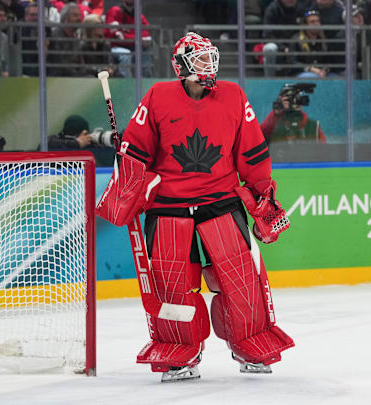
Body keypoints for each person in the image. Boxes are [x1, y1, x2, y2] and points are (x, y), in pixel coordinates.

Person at [96, 32, 294, 382]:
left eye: (210, 57)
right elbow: (137, 148)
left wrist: (263, 193)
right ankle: (179, 350)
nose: (209, 65)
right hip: (169, 206)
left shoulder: (233, 95)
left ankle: (250, 341)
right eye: (200, 59)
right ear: (181, 65)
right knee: (173, 284)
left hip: (220, 202)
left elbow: (252, 150)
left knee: (241, 280)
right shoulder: (157, 97)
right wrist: (125, 171)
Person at [261, 83, 326, 143]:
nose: (296, 102)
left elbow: (324, 152)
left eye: (298, 98)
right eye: (292, 99)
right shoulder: (275, 124)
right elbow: (259, 136)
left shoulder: (313, 127)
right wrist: (277, 112)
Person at [105, 0, 152, 77]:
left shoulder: (138, 14)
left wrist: (128, 36)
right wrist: (137, 38)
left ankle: (146, 80)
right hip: (116, 47)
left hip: (133, 46)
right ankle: (126, 82)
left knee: (145, 49)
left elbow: (146, 33)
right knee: (126, 54)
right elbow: (116, 36)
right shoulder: (115, 11)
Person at [260, 0, 305, 77]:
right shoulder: (272, 9)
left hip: (295, 46)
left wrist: (292, 47)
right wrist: (283, 48)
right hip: (278, 46)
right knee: (270, 48)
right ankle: (269, 80)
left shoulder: (301, 9)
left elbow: (304, 32)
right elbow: (267, 34)